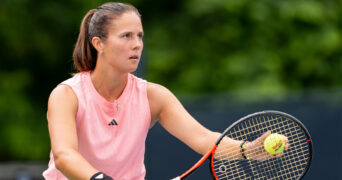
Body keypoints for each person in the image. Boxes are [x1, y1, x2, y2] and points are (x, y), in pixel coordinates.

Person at [42, 2, 287, 180]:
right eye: (126, 36)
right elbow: (64, 155)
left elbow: (203, 138)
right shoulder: (66, 95)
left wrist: (249, 149)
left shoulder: (154, 96)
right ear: (99, 44)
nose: (137, 44)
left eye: (139, 36)